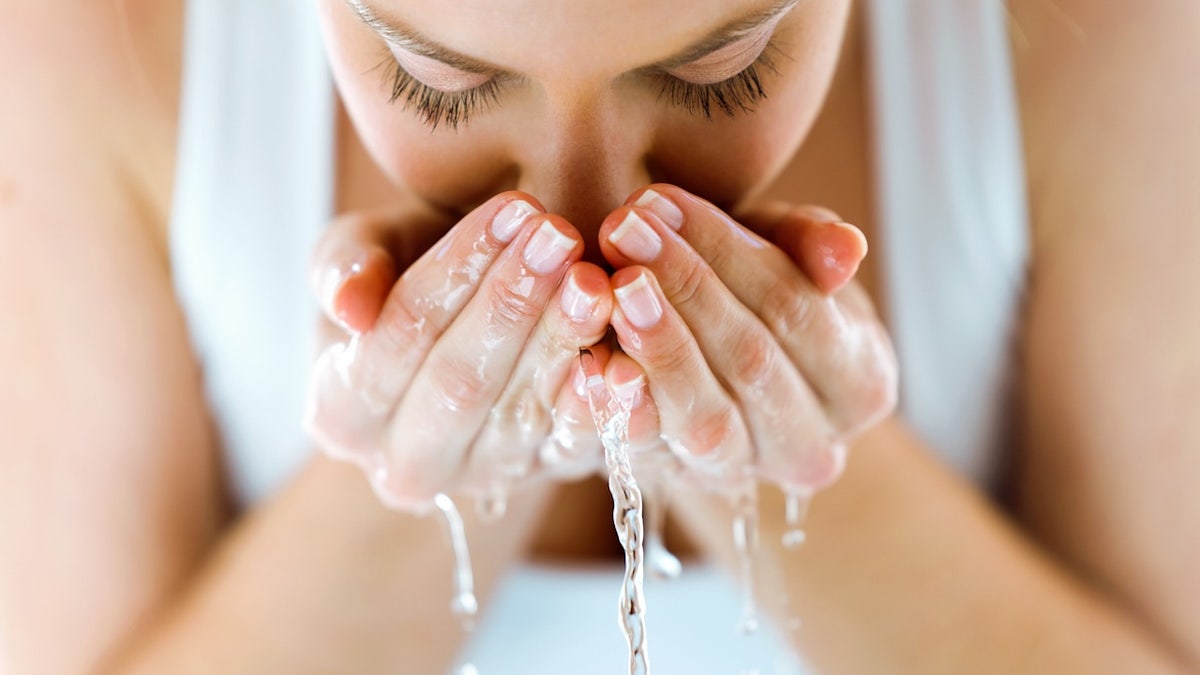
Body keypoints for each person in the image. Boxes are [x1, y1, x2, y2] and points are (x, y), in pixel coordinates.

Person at [2, 0, 1198, 673]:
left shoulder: (1110, 37)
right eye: (438, 81)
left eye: (722, 70)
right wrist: (428, 477)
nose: (584, 220)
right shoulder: (92, 44)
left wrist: (780, 456)